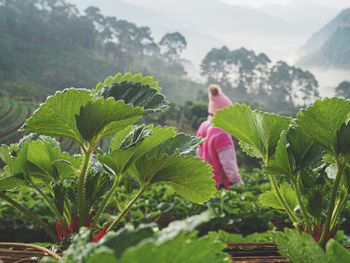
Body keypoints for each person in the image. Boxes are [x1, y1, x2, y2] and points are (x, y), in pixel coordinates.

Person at [196, 84, 243, 189]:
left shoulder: (203, 126)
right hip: (220, 184)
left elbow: (198, 155)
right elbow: (228, 163)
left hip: (204, 181)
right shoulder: (222, 133)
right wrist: (238, 183)